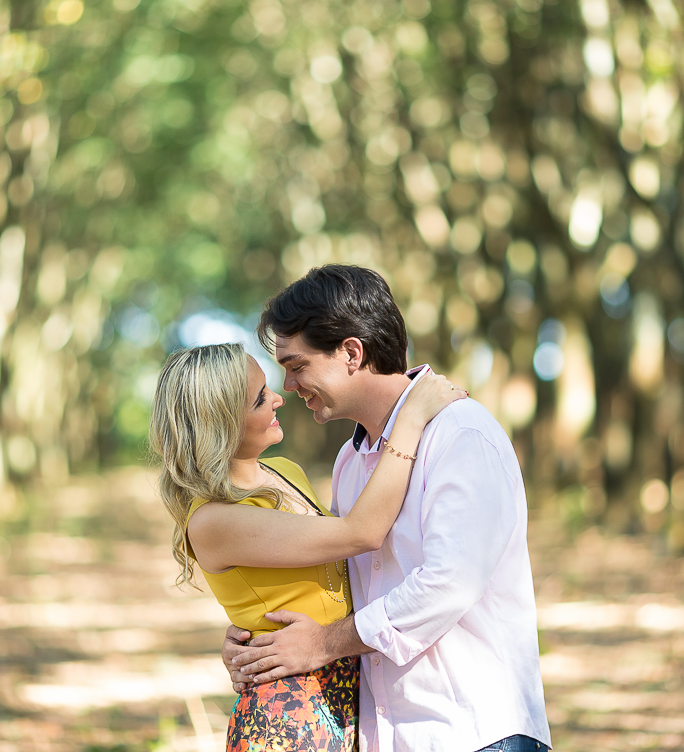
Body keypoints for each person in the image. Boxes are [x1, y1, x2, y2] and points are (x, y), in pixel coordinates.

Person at [222, 265, 552, 752]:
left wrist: (321, 644)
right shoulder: (350, 462)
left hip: (474, 730)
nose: (288, 387)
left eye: (297, 365)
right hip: (389, 734)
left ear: (351, 353)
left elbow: (448, 583)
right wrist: (255, 639)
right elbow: (342, 583)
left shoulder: (459, 433)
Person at [150, 341, 465, 750]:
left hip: (345, 692)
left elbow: (344, 562)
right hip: (285, 714)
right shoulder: (213, 520)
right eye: (260, 398)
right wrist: (411, 419)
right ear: (222, 421)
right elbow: (360, 532)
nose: (279, 398)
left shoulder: (283, 471)